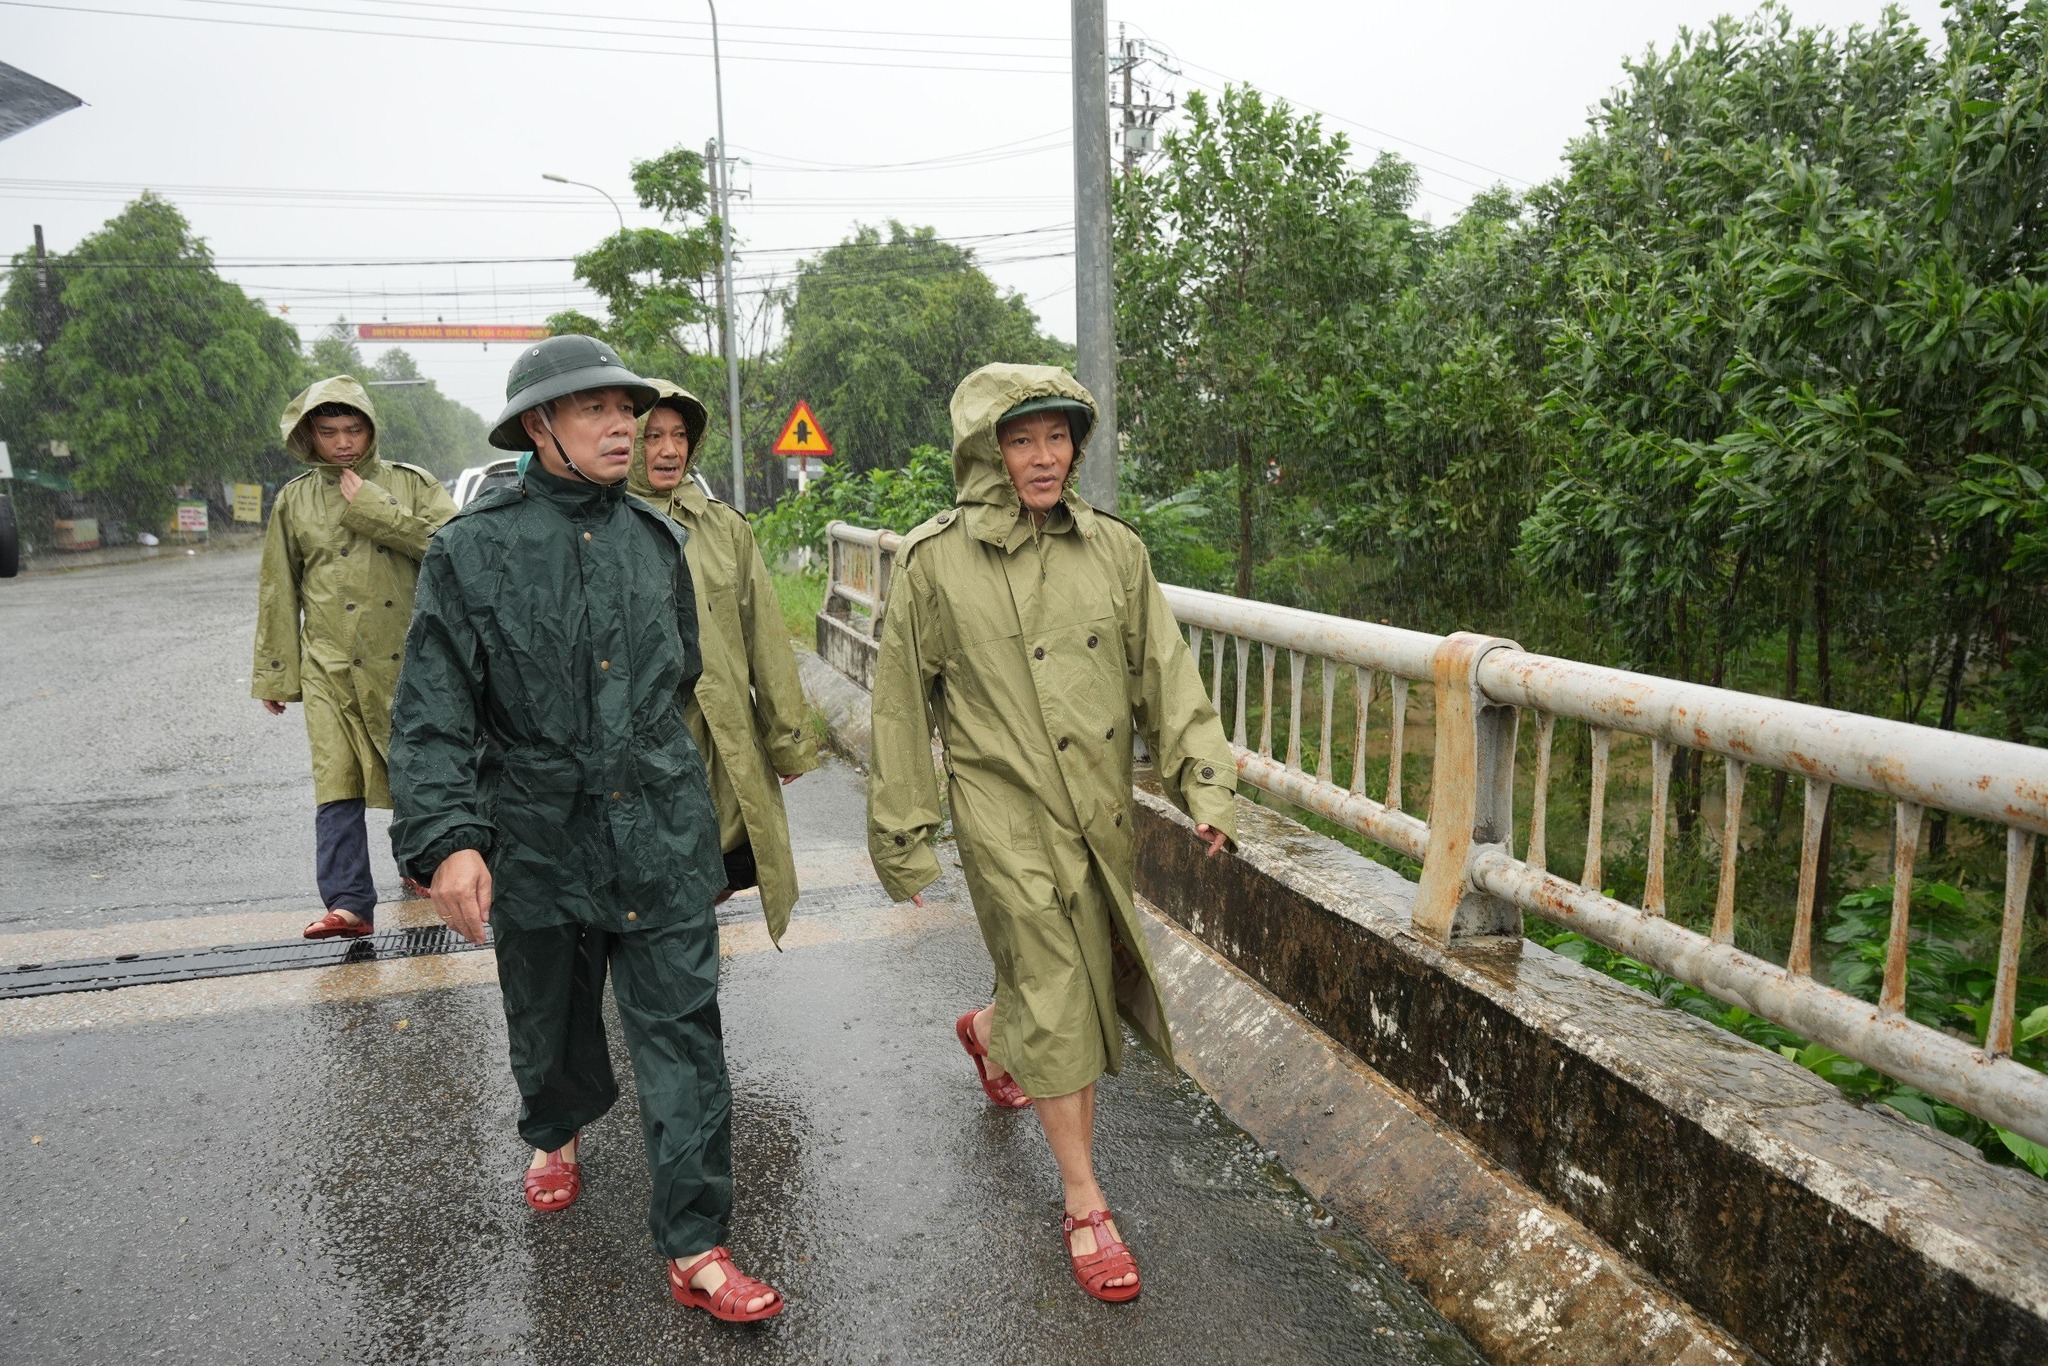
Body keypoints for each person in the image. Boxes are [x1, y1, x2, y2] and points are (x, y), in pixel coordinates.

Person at [386, 335, 782, 1322]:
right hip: (537, 832)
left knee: (685, 1033)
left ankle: (695, 1244)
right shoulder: (469, 551)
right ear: (539, 425)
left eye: (626, 409)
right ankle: (556, 1125)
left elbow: (681, 678)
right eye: (595, 409)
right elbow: (433, 712)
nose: (623, 427)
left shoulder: (657, 540)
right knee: (551, 1018)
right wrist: (450, 838)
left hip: (659, 825)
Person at [865, 362, 1238, 1304]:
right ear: (985, 450)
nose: (1044, 457)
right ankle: (1084, 1201)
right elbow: (901, 705)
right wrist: (905, 833)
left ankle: (991, 1032)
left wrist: (1204, 783)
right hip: (1002, 813)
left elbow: (1166, 673)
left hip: (1097, 809)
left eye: (1058, 437)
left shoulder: (1114, 550)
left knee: (1066, 975)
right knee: (1062, 988)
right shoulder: (934, 562)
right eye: (1022, 439)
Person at [252, 376, 455, 940]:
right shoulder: (294, 500)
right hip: (329, 665)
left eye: (353, 429)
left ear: (371, 429)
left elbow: (453, 548)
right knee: (336, 778)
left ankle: (422, 865)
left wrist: (374, 509)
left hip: (406, 659)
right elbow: (279, 586)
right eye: (328, 432)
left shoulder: (410, 484)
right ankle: (348, 902)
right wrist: (276, 672)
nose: (342, 442)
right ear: (308, 436)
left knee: (413, 770)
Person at [627, 379, 818, 934]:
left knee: (721, 863)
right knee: (651, 872)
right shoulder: (603, 527)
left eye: (679, 436)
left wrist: (786, 739)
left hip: (722, 735)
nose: (669, 450)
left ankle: (685, 956)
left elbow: (765, 637)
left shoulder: (724, 527)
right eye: (652, 437)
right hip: (645, 744)